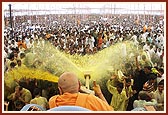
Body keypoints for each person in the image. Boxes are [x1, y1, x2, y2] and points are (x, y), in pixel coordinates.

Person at [49, 72, 113, 111]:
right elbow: (110, 112)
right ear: (79, 85)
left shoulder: (53, 101)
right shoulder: (90, 99)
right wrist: (99, 94)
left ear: (60, 89)